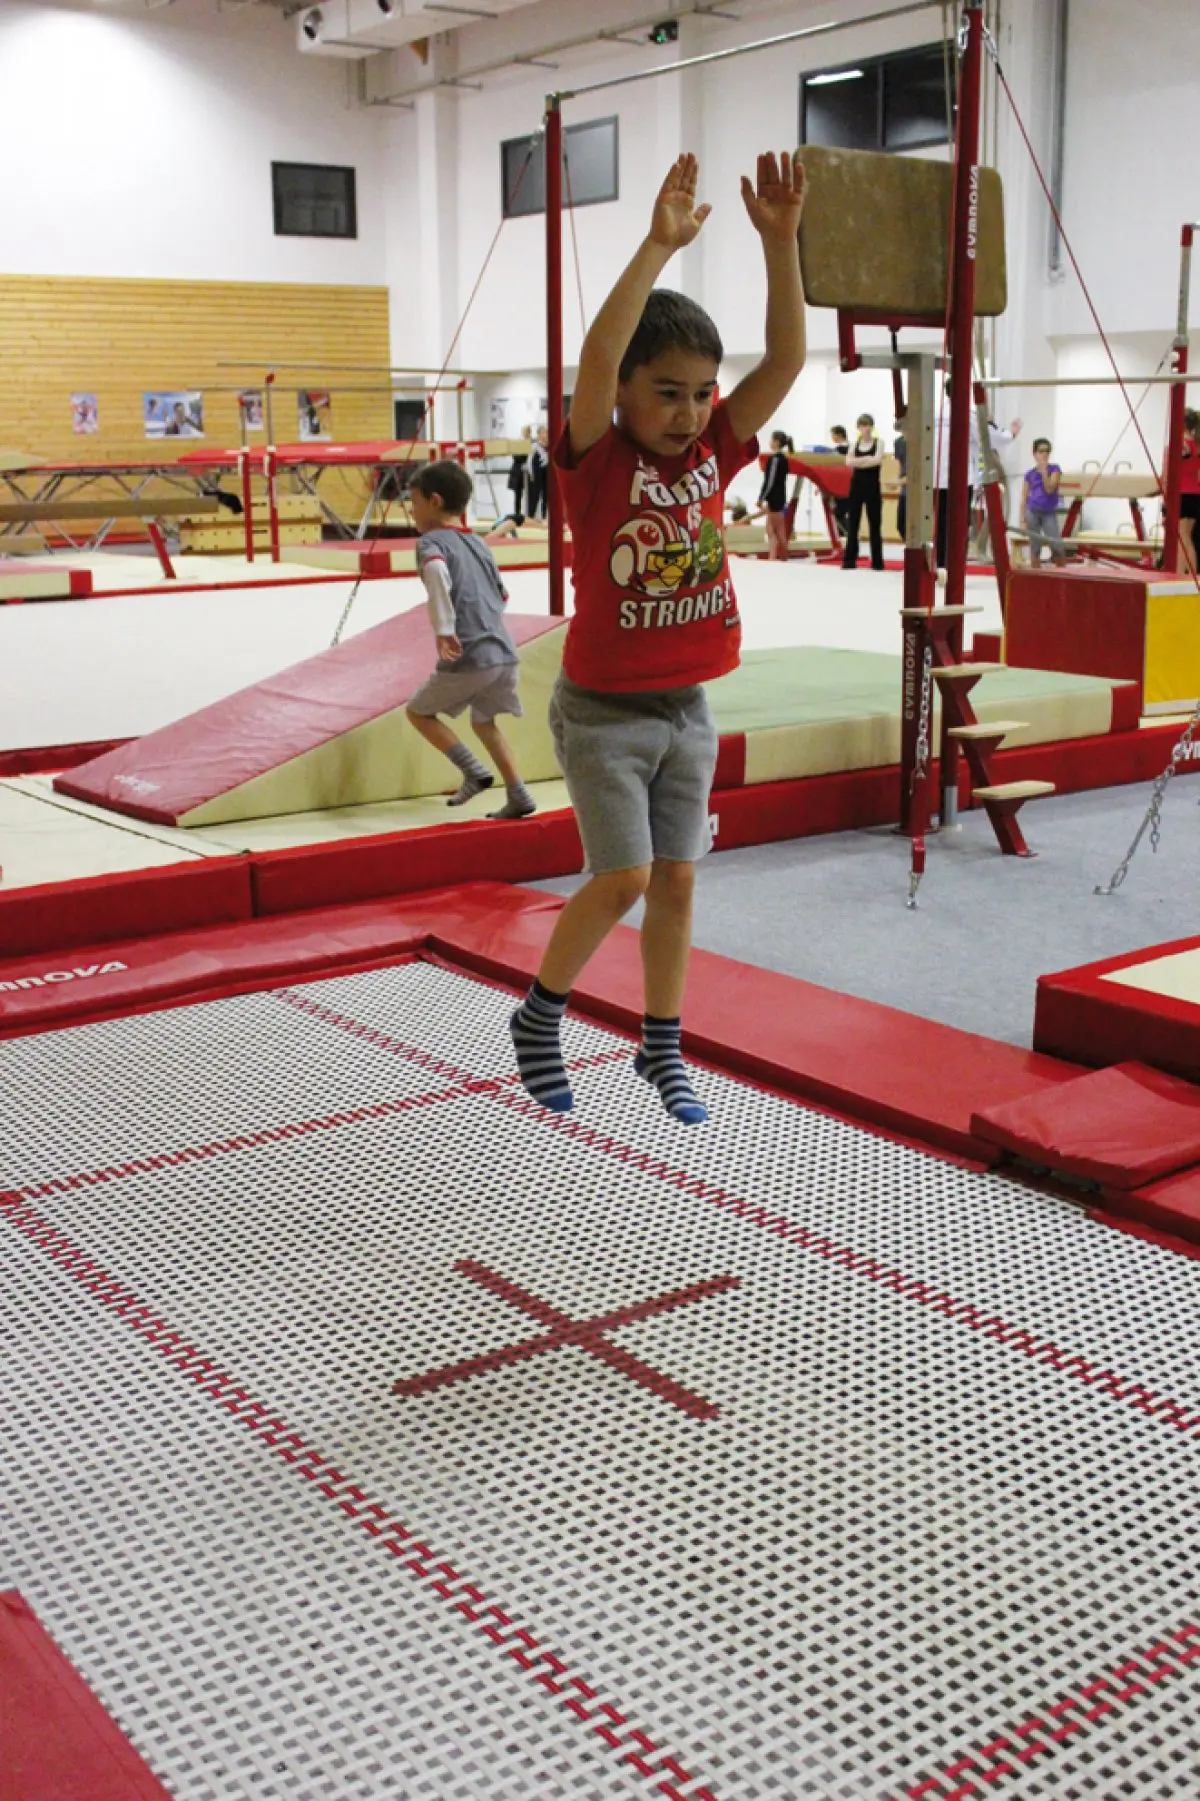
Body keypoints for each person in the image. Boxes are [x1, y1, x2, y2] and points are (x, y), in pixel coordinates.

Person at [508, 149, 807, 1122]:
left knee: (677, 882)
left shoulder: (714, 452)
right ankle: (540, 1015)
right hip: (603, 714)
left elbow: (786, 362)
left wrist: (781, 245)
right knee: (625, 875)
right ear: (627, 394)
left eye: (702, 392)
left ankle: (660, 1045)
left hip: (687, 708)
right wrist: (655, 246)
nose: (689, 412)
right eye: (667, 391)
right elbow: (597, 359)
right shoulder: (595, 464)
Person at [404, 459, 536, 822]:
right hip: (504, 651)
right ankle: (519, 794)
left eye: (414, 503)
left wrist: (445, 628)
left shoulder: (430, 542)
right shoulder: (477, 542)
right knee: (484, 723)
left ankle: (474, 771)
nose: (411, 512)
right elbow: (501, 594)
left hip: (472, 652)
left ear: (433, 501)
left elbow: (436, 571)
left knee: (418, 711)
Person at [933, 379, 1020, 567]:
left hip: (935, 480)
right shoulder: (967, 415)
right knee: (959, 525)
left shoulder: (935, 414)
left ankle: (939, 564)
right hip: (960, 480)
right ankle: (954, 564)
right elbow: (988, 437)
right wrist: (1010, 434)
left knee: (939, 525)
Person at [842, 413, 885, 571]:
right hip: (856, 486)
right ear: (858, 428)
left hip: (872, 486)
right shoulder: (854, 444)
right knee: (853, 523)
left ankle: (877, 562)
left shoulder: (879, 442)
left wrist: (858, 462)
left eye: (867, 425)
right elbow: (848, 462)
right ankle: (849, 560)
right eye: (862, 425)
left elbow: (877, 460)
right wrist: (867, 459)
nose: (865, 428)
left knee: (875, 524)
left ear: (872, 427)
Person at [1021, 437, 1067, 565]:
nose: (1044, 454)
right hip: (1032, 511)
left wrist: (1044, 473)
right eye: (1041, 451)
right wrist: (1022, 520)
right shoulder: (1029, 474)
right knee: (1035, 546)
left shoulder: (1055, 469)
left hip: (1048, 512)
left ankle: (1062, 570)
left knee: (1056, 544)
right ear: (1034, 454)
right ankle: (1035, 570)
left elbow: (1050, 489)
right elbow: (1024, 497)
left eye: (1047, 451)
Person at [755, 430, 793, 559]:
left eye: (771, 440)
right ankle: (784, 556)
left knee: (771, 530)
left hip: (774, 497)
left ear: (776, 442)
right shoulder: (784, 459)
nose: (770, 442)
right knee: (779, 529)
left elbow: (770, 481)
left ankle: (772, 557)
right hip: (781, 496)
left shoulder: (775, 459)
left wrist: (761, 498)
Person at [1177, 409, 1200, 576]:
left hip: (1183, 494)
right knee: (1186, 536)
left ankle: (1180, 574)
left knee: (1182, 537)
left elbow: (1170, 470)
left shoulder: (1182, 444)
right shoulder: (1196, 444)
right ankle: (1189, 574)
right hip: (1195, 494)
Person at [505, 424, 531, 526]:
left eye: (528, 431)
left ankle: (528, 516)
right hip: (518, 471)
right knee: (518, 494)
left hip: (528, 471)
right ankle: (517, 515)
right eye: (525, 431)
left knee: (530, 494)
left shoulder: (531, 442)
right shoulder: (519, 443)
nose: (527, 433)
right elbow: (516, 456)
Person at [829, 423, 851, 536]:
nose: (832, 437)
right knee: (841, 512)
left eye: (833, 435)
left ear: (840, 435)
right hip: (850, 484)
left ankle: (847, 535)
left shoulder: (840, 450)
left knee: (839, 513)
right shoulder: (852, 447)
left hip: (843, 484)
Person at [526, 424, 550, 520]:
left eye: (546, 432)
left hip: (547, 473)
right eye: (543, 433)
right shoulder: (534, 446)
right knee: (534, 495)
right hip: (536, 473)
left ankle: (544, 516)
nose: (545, 435)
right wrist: (531, 474)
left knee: (546, 495)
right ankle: (531, 516)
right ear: (539, 434)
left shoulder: (549, 446)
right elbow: (529, 461)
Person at [893, 423, 907, 543]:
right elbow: (900, 464)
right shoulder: (898, 442)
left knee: (912, 524)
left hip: (917, 489)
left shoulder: (920, 440)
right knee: (901, 525)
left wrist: (900, 481)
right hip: (904, 489)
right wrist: (897, 480)